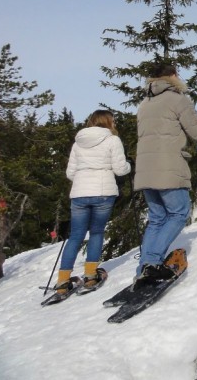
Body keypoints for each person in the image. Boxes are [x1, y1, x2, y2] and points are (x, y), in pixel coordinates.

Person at [134, 62, 197, 283]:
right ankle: (152, 264)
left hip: (145, 170)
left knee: (157, 218)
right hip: (168, 167)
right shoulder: (178, 100)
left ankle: (144, 268)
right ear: (173, 76)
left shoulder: (145, 104)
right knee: (179, 212)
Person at [54, 110, 131, 293]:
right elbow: (120, 169)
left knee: (75, 236)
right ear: (109, 121)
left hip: (80, 193)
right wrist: (129, 165)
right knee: (96, 232)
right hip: (103, 191)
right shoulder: (112, 140)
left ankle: (63, 280)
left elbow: (70, 173)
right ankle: (90, 275)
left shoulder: (78, 142)